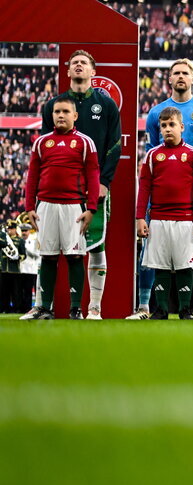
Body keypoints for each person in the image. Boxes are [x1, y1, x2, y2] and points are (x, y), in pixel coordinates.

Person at [131, 58, 193, 319]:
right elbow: (150, 152)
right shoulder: (157, 112)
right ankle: (145, 306)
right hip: (160, 195)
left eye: (185, 73)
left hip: (191, 191)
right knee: (151, 248)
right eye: (176, 73)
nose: (181, 77)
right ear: (169, 79)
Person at [41, 50, 121, 320]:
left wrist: (104, 182)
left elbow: (115, 145)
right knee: (50, 250)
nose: (78, 66)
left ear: (93, 72)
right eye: (73, 63)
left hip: (93, 187)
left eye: (83, 63)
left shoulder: (106, 105)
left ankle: (94, 307)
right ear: (67, 72)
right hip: (60, 190)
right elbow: (44, 148)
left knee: (95, 245)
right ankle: (45, 306)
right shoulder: (52, 105)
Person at [24, 95, 100, 319]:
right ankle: (44, 308)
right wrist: (30, 207)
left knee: (75, 256)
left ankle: (75, 308)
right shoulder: (41, 142)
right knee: (47, 256)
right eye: (57, 112)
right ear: (51, 115)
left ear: (75, 116)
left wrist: (91, 208)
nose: (60, 115)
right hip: (45, 206)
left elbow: (93, 175)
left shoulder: (85, 142)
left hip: (73, 207)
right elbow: (32, 177)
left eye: (66, 112)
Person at [136, 107, 193, 320]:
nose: (168, 129)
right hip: (158, 220)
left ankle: (186, 309)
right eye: (164, 126)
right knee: (160, 266)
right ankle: (160, 309)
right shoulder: (152, 155)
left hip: (185, 220)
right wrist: (140, 217)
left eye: (172, 125)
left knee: (185, 266)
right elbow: (144, 189)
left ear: (182, 127)